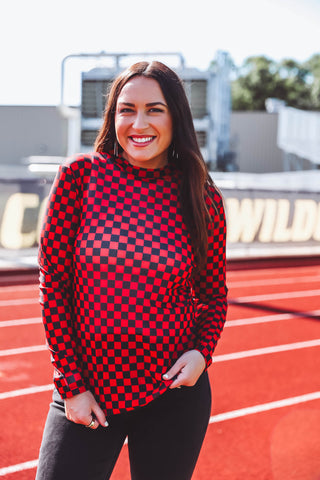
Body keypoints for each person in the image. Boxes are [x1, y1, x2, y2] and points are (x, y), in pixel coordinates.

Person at [36, 60, 228, 480]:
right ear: (113, 116)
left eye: (154, 109)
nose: (138, 122)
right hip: (87, 391)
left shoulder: (200, 196)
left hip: (174, 395)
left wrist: (201, 354)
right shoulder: (78, 178)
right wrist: (71, 385)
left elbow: (213, 296)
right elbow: (54, 287)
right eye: (127, 109)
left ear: (176, 116)